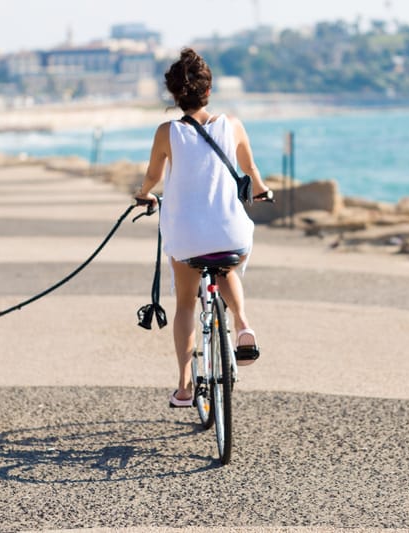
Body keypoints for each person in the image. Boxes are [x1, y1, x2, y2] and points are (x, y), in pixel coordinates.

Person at [133, 48, 272, 408]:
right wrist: (261, 190)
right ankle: (242, 323)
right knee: (225, 267)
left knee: (184, 303)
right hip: (230, 232)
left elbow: (152, 176)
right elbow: (252, 170)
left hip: (186, 235)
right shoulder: (234, 125)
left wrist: (144, 194)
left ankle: (183, 386)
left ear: (175, 95)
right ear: (208, 92)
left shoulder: (167, 132)